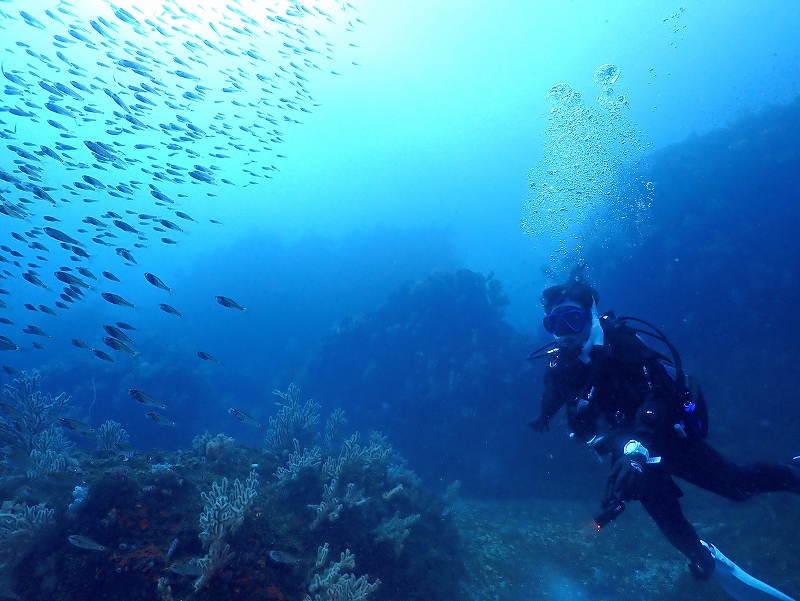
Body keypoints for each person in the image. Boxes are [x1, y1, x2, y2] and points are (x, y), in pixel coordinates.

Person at [528, 267, 800, 588]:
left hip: (668, 436)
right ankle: (698, 554)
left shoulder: (622, 344)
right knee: (665, 514)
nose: (564, 332)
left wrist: (639, 447)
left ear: (590, 316)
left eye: (571, 319)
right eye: (554, 324)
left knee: (736, 486)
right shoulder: (562, 365)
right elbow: (555, 391)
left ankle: (793, 473)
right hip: (625, 448)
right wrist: (543, 417)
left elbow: (658, 392)